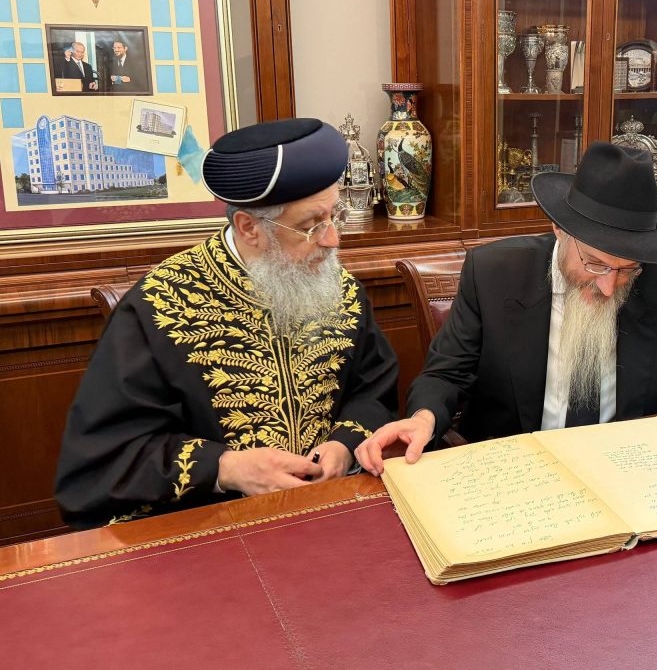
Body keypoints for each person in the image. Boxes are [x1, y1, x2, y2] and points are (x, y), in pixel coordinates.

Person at [55, 118, 399, 529]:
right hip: (212, 527)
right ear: (249, 227)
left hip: (332, 512)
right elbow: (106, 458)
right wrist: (225, 468)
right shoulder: (159, 307)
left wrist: (344, 445)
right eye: (310, 226)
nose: (332, 240)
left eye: (334, 216)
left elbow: (373, 389)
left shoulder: (339, 289)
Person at [356, 141, 657, 475]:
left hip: (632, 474)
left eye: (627, 270)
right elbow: (446, 373)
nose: (608, 286)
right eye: (595, 263)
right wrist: (425, 417)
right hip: (516, 476)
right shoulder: (494, 274)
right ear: (559, 229)